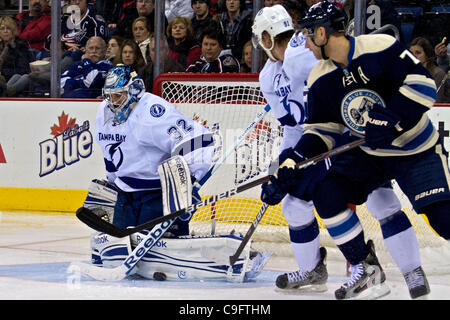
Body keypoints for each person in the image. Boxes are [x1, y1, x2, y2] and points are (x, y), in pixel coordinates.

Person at [263, 1, 450, 300]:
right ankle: (367, 268)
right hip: (371, 154)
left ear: (323, 34)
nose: (307, 45)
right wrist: (292, 160)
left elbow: (424, 84)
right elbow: (321, 131)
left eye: (310, 36)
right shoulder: (320, 77)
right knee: (327, 192)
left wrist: (393, 117)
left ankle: (411, 268)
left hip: (414, 148)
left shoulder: (380, 46)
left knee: (443, 220)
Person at [0, 16, 34, 97]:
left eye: (8, 28)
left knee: (24, 77)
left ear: (13, 31)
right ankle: (7, 91)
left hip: (17, 79)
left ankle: (7, 92)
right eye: (2, 28)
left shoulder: (21, 45)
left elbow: (23, 69)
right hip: (2, 80)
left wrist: (14, 48)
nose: (5, 31)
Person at [410, 37, 449, 103]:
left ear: (427, 55)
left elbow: (435, 104)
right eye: (411, 53)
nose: (413, 56)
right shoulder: (408, 73)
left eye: (418, 53)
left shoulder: (437, 74)